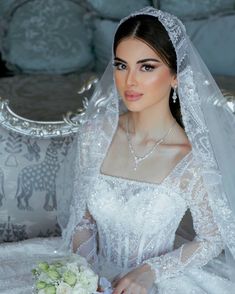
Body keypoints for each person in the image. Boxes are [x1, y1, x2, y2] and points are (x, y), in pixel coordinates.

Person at [0, 6, 235, 294]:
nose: (130, 81)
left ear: (176, 76)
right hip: (90, 273)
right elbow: (82, 219)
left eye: (146, 66)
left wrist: (150, 272)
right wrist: (85, 276)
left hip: (157, 282)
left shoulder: (190, 158)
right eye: (121, 65)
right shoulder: (95, 135)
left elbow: (211, 239)